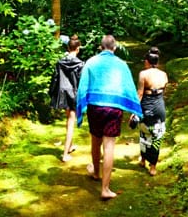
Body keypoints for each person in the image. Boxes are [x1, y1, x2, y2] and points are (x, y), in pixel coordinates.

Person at [76, 35, 142, 200]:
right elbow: (129, 87)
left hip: (95, 106)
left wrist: (80, 108)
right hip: (113, 108)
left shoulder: (91, 62)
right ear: (115, 48)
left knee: (95, 139)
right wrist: (135, 109)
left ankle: (96, 173)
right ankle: (105, 189)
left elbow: (82, 86)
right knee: (109, 146)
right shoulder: (121, 65)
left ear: (100, 47)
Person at [49, 34, 84, 162]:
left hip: (63, 93)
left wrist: (52, 93)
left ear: (68, 47)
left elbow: (55, 79)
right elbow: (82, 82)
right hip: (74, 94)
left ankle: (69, 146)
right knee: (71, 122)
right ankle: (65, 154)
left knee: (68, 119)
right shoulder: (80, 64)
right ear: (78, 48)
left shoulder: (60, 62)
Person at [136, 46, 168, 176]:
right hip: (159, 106)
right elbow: (163, 91)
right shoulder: (164, 75)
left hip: (146, 107)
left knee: (144, 133)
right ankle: (153, 167)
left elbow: (139, 94)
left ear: (147, 62)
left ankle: (143, 160)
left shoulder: (143, 74)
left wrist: (134, 111)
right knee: (157, 135)